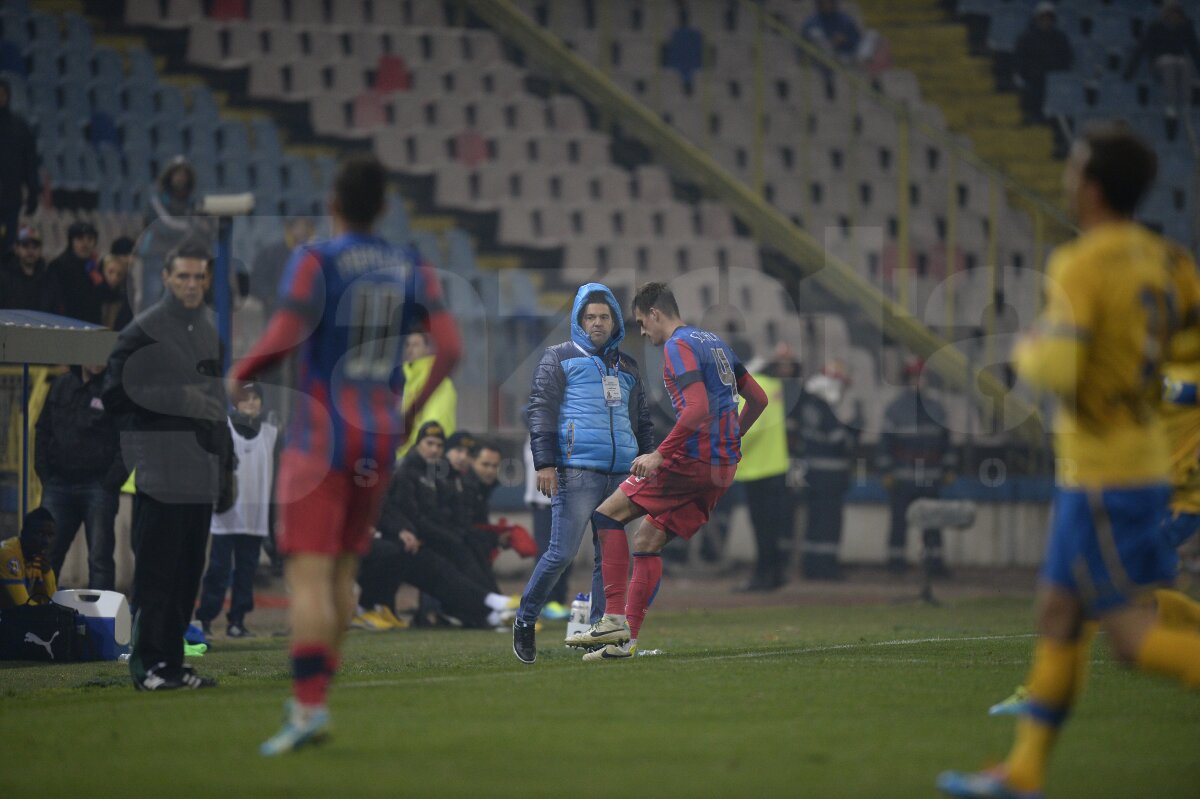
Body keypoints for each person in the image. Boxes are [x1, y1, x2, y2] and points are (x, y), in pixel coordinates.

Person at [937, 126, 1200, 799]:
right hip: (1124, 463)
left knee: (1132, 640)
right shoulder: (1171, 260)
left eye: (1076, 163)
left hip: (1108, 471)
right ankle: (1022, 773)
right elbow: (1189, 355)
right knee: (1058, 612)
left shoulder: (1082, 262)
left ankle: (1023, 773)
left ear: (1091, 184)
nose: (1068, 172)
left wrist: (1027, 346)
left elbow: (1058, 366)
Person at [228, 154, 461, 755]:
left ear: (333, 203)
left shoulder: (316, 260)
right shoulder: (410, 264)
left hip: (321, 435)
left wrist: (243, 370)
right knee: (344, 576)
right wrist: (409, 413)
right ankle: (313, 701)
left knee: (307, 574)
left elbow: (283, 335)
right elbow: (452, 347)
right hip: (378, 434)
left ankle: (307, 708)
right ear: (384, 208)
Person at [561, 282, 768, 662]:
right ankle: (624, 644)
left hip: (690, 461)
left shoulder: (679, 346)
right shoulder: (715, 343)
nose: (643, 332)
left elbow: (696, 409)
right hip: (723, 466)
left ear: (655, 313)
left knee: (607, 515)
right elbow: (758, 398)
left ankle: (612, 619)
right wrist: (730, 439)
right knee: (647, 539)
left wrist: (660, 454)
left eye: (642, 323)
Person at [102, 240, 236, 691]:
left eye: (199, 277)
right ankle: (147, 668)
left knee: (185, 578)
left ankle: (173, 665)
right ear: (166, 278)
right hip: (160, 471)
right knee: (157, 576)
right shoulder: (144, 329)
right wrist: (177, 399)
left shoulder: (209, 329)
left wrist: (227, 466)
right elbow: (114, 392)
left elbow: (216, 404)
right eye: (183, 277)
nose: (192, 285)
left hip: (200, 472)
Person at [513, 283, 655, 664]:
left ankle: (598, 630)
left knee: (606, 557)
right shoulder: (557, 357)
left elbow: (642, 420)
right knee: (560, 553)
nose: (597, 322)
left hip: (621, 474)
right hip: (576, 470)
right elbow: (540, 410)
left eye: (604, 316)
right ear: (578, 320)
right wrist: (544, 463)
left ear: (614, 322)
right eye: (590, 316)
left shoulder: (627, 366)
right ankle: (525, 620)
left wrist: (647, 460)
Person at [195, 381, 279, 639]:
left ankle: (237, 621)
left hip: (255, 518)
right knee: (218, 570)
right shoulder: (225, 429)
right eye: (245, 398)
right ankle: (205, 619)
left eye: (255, 398)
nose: (251, 403)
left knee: (246, 572)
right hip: (227, 515)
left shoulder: (271, 432)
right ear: (235, 402)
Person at [35, 363, 124, 591]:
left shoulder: (114, 390)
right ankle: (38, 614)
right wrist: (46, 475)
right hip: (58, 486)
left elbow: (129, 439)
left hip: (99, 486)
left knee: (99, 559)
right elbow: (43, 430)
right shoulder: (60, 386)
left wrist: (111, 482)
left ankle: (102, 622)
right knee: (46, 555)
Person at [878, 358, 954, 574]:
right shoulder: (895, 410)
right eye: (914, 377)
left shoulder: (937, 409)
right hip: (902, 476)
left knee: (933, 523)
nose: (918, 381)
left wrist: (948, 469)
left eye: (922, 377)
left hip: (930, 476)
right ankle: (895, 564)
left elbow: (946, 443)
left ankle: (934, 565)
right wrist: (886, 472)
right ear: (907, 379)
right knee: (899, 523)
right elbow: (885, 443)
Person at [731, 344, 792, 592]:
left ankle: (764, 576)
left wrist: (724, 442)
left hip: (759, 469)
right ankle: (775, 573)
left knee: (763, 527)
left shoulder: (758, 388)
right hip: (775, 465)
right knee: (773, 526)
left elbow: (749, 428)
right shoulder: (774, 387)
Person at [797, 364, 859, 581]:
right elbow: (840, 442)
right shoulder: (825, 409)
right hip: (830, 479)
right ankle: (826, 569)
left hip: (813, 476)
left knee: (814, 523)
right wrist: (854, 428)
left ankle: (811, 566)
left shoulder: (807, 406)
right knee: (828, 525)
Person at [136, 156, 212, 311]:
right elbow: (163, 226)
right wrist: (192, 226)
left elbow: (205, 229)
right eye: (177, 174)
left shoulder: (193, 202)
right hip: (155, 256)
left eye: (184, 175)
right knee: (152, 299)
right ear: (169, 175)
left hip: (182, 259)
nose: (181, 178)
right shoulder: (156, 199)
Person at [1123, 0, 1200, 118]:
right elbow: (1140, 50)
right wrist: (1129, 72)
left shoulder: (1186, 27)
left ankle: (1186, 103)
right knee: (1170, 61)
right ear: (1166, 14)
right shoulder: (1155, 27)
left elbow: (1194, 51)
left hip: (1179, 62)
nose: (1175, 17)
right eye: (1172, 14)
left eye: (1177, 14)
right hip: (1158, 64)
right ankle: (1170, 103)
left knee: (1185, 63)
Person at [396, 331, 458, 457]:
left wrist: (412, 455)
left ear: (428, 349)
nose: (410, 349)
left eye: (416, 345)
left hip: (423, 457)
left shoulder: (436, 381)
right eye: (407, 345)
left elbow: (435, 424)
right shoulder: (410, 381)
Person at [1012, 2, 1074, 124]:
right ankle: (1035, 117)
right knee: (1034, 87)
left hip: (1055, 78)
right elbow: (1020, 59)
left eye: (1049, 18)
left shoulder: (1061, 38)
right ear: (1036, 19)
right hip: (1033, 78)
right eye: (1043, 18)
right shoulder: (1026, 38)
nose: (1046, 21)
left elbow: (1067, 59)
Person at [0, 77, 40, 252]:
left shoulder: (20, 127)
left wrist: (33, 191)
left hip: (10, 197)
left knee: (8, 244)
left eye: (2, 94)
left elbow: (30, 163)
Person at [251, 217, 316, 318]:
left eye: (305, 227)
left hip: (305, 311)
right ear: (290, 229)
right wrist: (270, 298)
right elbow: (258, 280)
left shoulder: (315, 253)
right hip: (277, 311)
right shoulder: (273, 253)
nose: (301, 231)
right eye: (298, 227)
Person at [0, 508, 57, 609]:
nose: (46, 541)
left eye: (50, 535)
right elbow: (23, 604)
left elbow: (54, 601)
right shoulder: (9, 554)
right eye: (40, 534)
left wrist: (47, 573)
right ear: (24, 533)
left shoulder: (36, 556)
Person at [48, 221, 102, 325]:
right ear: (71, 241)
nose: (85, 244)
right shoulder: (59, 266)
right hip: (64, 326)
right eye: (80, 239)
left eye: (90, 239)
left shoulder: (93, 266)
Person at [0, 224, 59, 312]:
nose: (30, 251)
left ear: (40, 249)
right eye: (25, 246)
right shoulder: (4, 277)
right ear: (16, 248)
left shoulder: (48, 279)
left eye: (35, 247)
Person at [801, 0, 879, 66]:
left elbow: (856, 38)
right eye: (824, 3)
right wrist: (831, 42)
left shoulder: (844, 19)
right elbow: (805, 40)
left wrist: (846, 39)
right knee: (815, 33)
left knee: (873, 34)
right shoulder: (812, 22)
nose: (827, 5)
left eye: (829, 2)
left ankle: (864, 61)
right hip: (830, 55)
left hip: (851, 52)